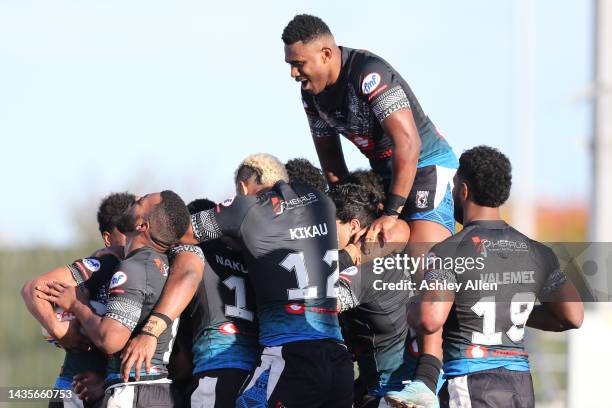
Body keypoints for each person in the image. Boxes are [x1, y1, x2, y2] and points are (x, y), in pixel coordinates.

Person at [282, 14, 457, 396]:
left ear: (326, 53)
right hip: (385, 172)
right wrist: (344, 214)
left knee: (421, 260)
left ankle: (427, 381)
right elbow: (332, 166)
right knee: (368, 245)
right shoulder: (310, 94)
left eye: (298, 64)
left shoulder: (369, 73)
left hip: (424, 165)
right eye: (290, 66)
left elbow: (407, 144)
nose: (294, 74)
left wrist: (391, 213)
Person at [385, 146, 584, 408]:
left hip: (472, 383)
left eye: (454, 187)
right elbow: (572, 316)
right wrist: (508, 309)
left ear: (464, 190)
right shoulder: (538, 252)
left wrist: (412, 306)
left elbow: (430, 320)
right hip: (521, 386)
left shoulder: (447, 251)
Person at [181, 153, 353, 407]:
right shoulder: (322, 202)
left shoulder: (247, 207)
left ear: (242, 186)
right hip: (338, 359)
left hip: (290, 353)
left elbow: (184, 232)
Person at [36, 191, 190, 407]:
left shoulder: (135, 267)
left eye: (141, 202)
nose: (135, 201)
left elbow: (110, 340)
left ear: (141, 226)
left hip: (135, 393)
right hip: (156, 391)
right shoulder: (166, 266)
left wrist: (77, 305)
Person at [21, 192, 134, 408]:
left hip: (115, 389)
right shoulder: (101, 264)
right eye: (126, 234)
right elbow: (32, 288)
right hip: (73, 391)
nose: (133, 240)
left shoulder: (148, 268)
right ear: (108, 239)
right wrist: (60, 330)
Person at [329, 182, 417, 408]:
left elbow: (316, 304)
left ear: (353, 226)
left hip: (388, 392)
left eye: (329, 226)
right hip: (404, 385)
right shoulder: (391, 254)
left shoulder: (363, 270)